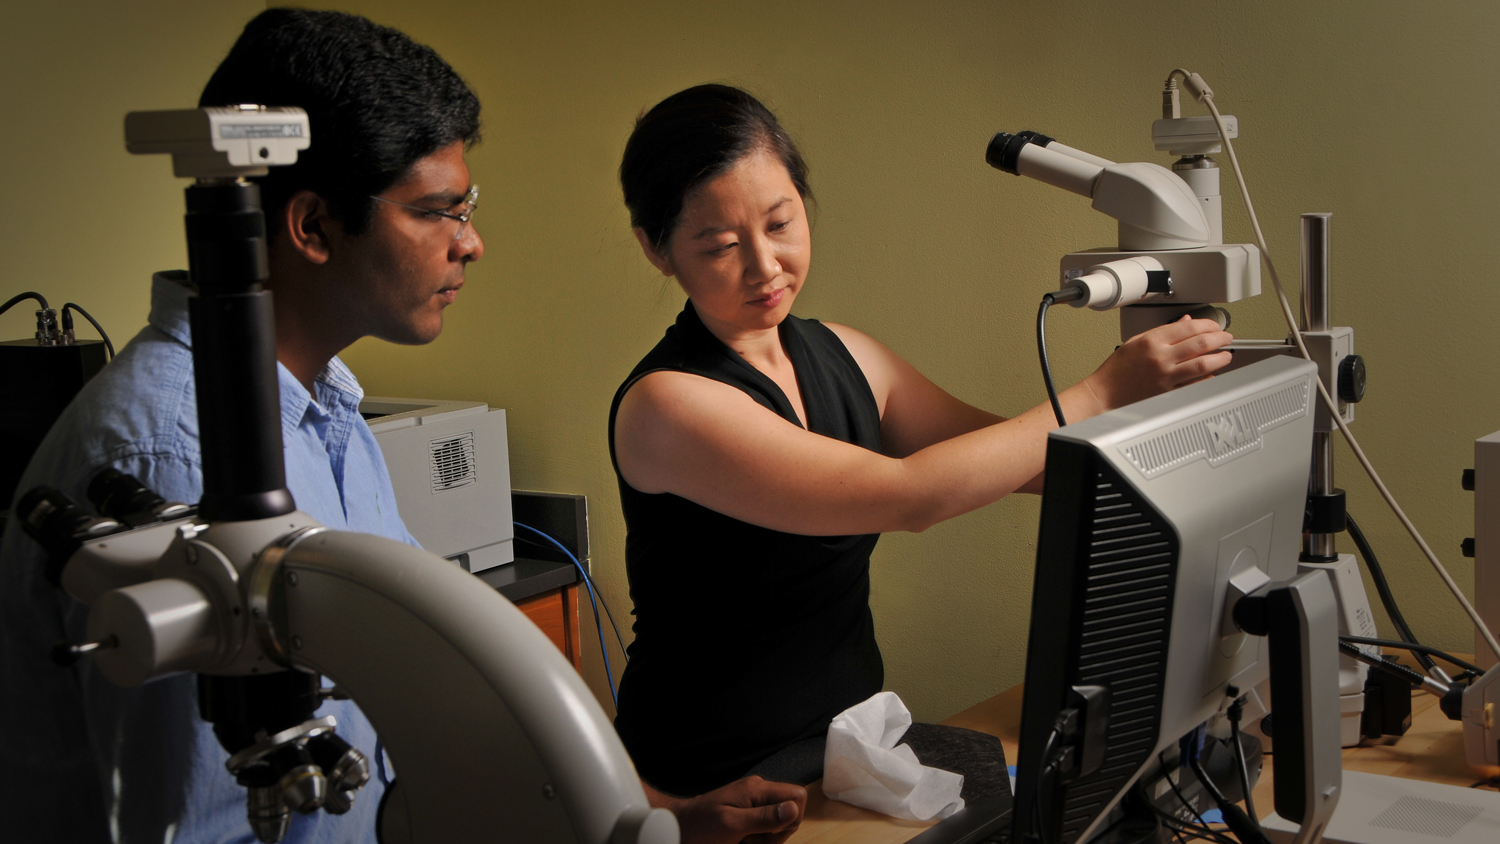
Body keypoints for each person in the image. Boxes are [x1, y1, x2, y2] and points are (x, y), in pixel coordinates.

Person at [0, 13, 802, 844]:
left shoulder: (327, 409)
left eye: (469, 207)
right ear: (311, 226)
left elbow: (435, 699)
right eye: (439, 212)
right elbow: (220, 829)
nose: (473, 244)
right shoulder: (176, 458)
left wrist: (646, 814)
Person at [608, 84, 1237, 796]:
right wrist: (1101, 391)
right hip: (712, 783)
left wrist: (1175, 416)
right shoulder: (666, 406)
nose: (765, 265)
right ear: (657, 251)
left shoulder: (847, 354)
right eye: (721, 245)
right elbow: (912, 497)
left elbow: (1023, 461)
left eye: (781, 223)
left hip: (850, 751)